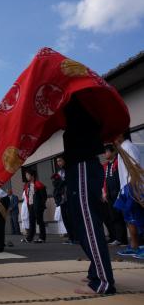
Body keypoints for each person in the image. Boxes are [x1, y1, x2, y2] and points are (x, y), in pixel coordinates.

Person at [63, 96, 115, 294]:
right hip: (78, 168)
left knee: (88, 223)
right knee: (81, 223)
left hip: (83, 166)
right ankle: (96, 272)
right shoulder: (76, 107)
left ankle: (103, 282)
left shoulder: (81, 105)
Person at [114, 131, 143, 259]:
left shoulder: (129, 147)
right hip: (124, 187)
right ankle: (134, 246)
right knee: (129, 218)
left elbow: (135, 167)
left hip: (133, 186)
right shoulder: (122, 149)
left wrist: (132, 187)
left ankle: (139, 246)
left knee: (138, 218)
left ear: (120, 134)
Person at [102, 144, 127, 246]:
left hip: (119, 192)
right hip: (110, 194)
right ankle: (118, 238)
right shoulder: (106, 165)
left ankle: (125, 239)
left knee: (123, 216)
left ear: (113, 152)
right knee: (114, 216)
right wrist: (104, 192)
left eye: (106, 151)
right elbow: (104, 181)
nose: (105, 154)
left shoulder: (118, 162)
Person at [52, 155, 76, 244]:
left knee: (72, 218)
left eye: (60, 161)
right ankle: (71, 237)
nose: (59, 163)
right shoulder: (58, 173)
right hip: (62, 199)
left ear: (64, 161)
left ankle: (75, 237)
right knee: (65, 218)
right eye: (57, 161)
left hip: (70, 197)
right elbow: (56, 185)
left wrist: (63, 182)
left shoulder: (70, 170)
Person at [22, 169, 47, 243]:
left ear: (32, 176)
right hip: (30, 206)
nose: (26, 176)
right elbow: (27, 196)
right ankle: (30, 238)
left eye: (28, 175)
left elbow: (44, 197)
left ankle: (42, 237)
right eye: (26, 175)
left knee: (40, 221)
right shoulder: (27, 185)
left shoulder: (38, 184)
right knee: (31, 221)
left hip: (38, 206)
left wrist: (41, 205)